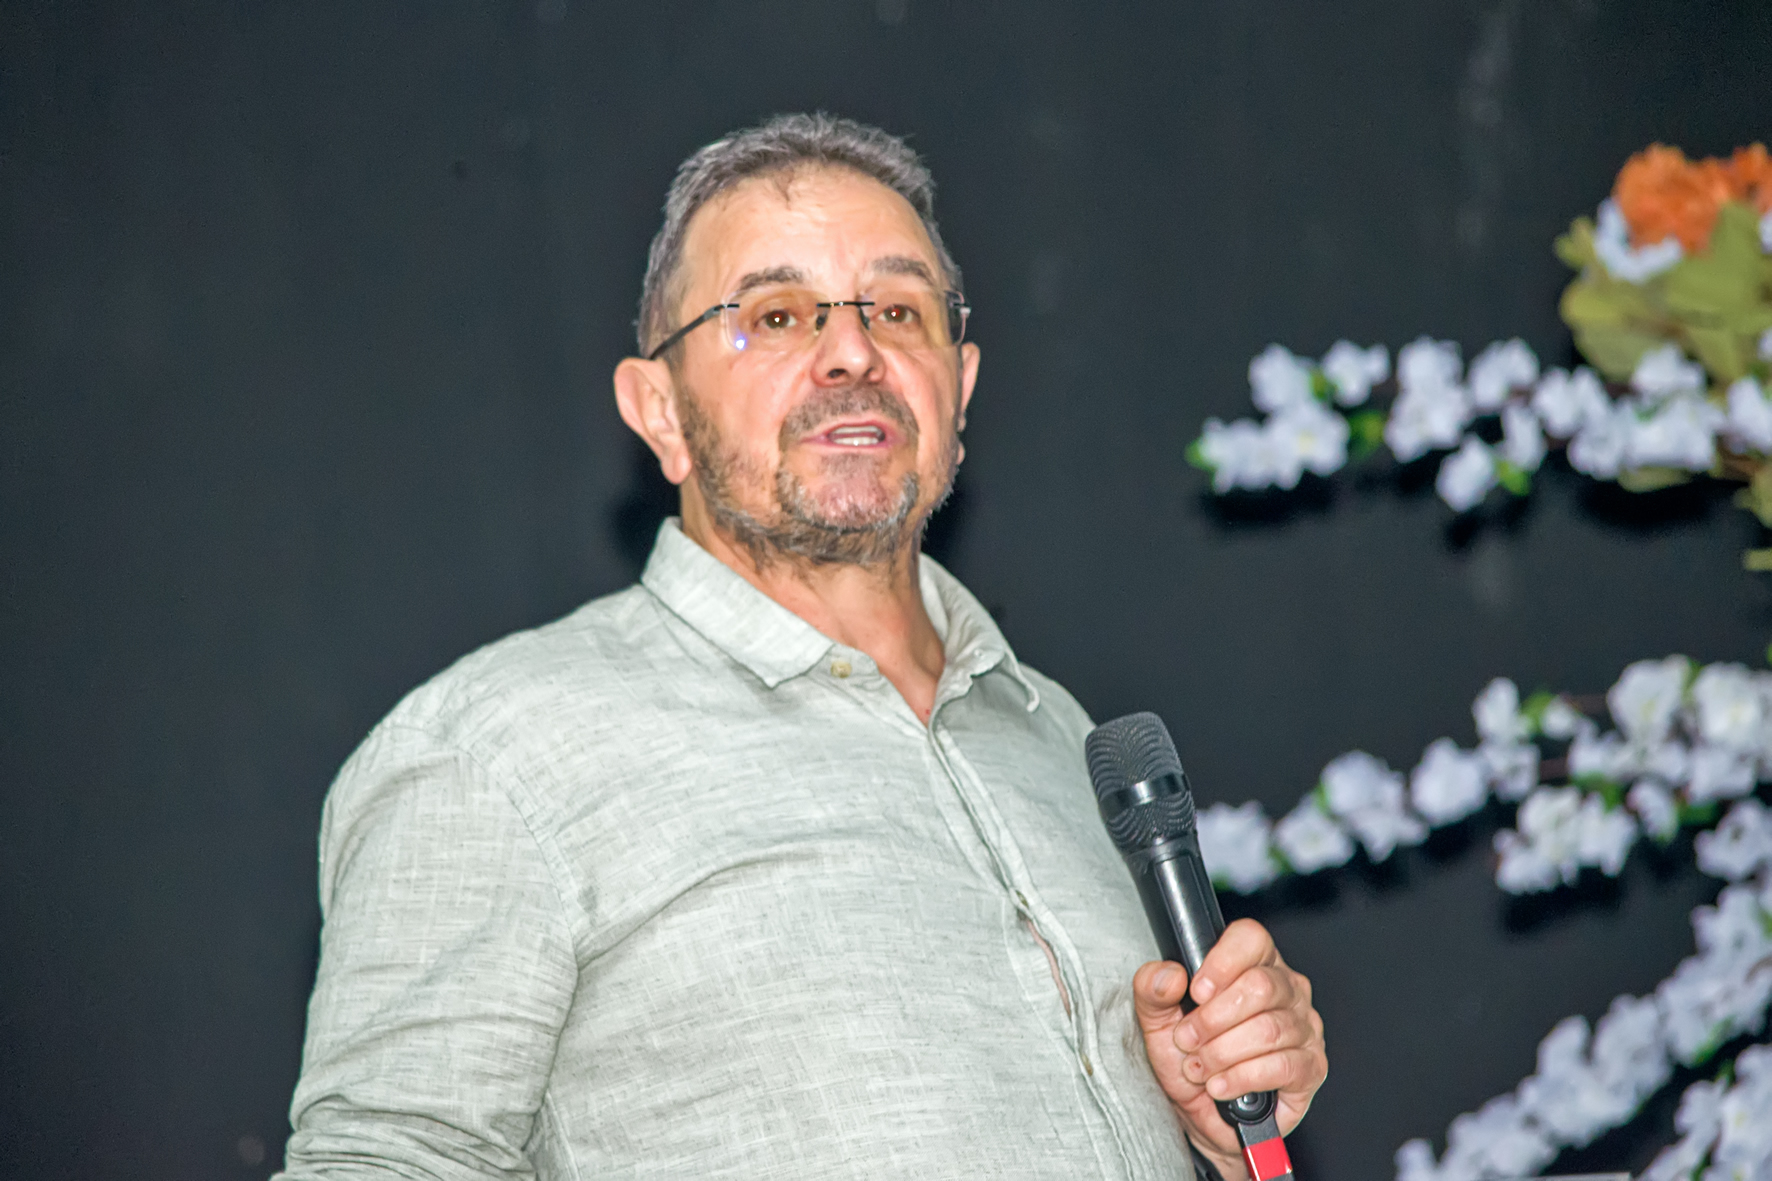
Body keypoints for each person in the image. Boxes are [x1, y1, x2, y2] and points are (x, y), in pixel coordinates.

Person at [276, 113, 1327, 1181]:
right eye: (775, 315)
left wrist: (1215, 1128)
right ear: (659, 410)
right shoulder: (493, 752)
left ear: (960, 386)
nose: (853, 352)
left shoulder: (1059, 734)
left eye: (898, 310)